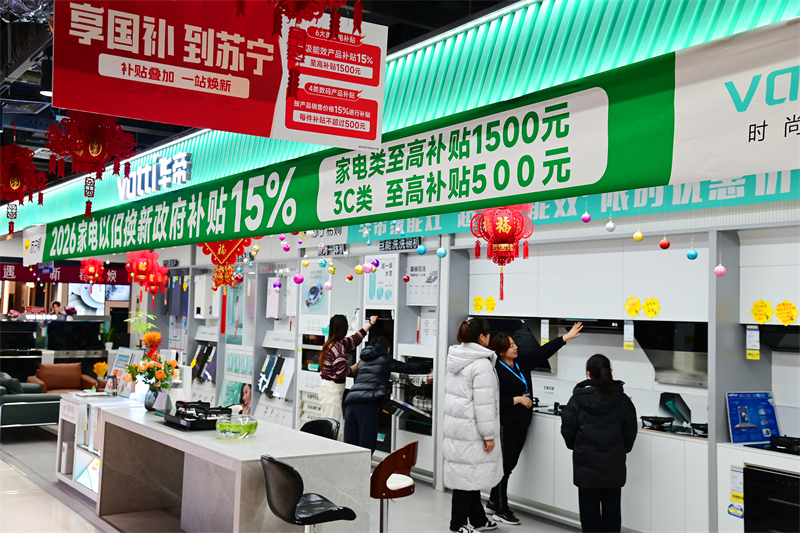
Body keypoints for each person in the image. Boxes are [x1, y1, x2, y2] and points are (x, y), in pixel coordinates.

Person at [487, 323, 583, 524]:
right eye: (511, 346)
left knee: (510, 464)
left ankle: (494, 501)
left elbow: (543, 352)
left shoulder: (521, 362)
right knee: (504, 466)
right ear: (501, 351)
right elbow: (493, 401)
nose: (516, 347)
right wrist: (517, 400)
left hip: (522, 422)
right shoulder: (495, 371)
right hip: (506, 424)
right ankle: (502, 509)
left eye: (515, 344)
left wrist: (564, 338)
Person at [560, 354, 638, 533]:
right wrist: (622, 449)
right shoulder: (622, 399)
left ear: (589, 373)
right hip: (614, 463)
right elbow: (630, 430)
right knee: (612, 510)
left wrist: (577, 447)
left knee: (589, 512)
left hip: (585, 463)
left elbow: (568, 429)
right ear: (610, 371)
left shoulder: (577, 400)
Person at [444, 318, 502, 533]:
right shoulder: (481, 363)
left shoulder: (456, 357)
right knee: (467, 478)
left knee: (470, 474)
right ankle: (458, 524)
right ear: (482, 337)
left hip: (457, 426)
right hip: (472, 429)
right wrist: (488, 435)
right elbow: (484, 404)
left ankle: (478, 519)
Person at [344, 336, 430, 454]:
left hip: (351, 404)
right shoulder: (385, 359)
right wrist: (427, 367)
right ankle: (363, 467)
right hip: (367, 406)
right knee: (366, 447)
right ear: (387, 348)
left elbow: (359, 381)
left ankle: (352, 467)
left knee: (350, 447)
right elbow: (405, 367)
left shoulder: (362, 361)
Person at [319, 314, 377, 440]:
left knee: (331, 426)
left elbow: (355, 339)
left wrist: (370, 324)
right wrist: (359, 364)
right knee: (335, 430)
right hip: (331, 390)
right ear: (343, 328)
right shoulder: (337, 348)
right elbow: (341, 372)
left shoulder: (335, 343)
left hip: (329, 389)